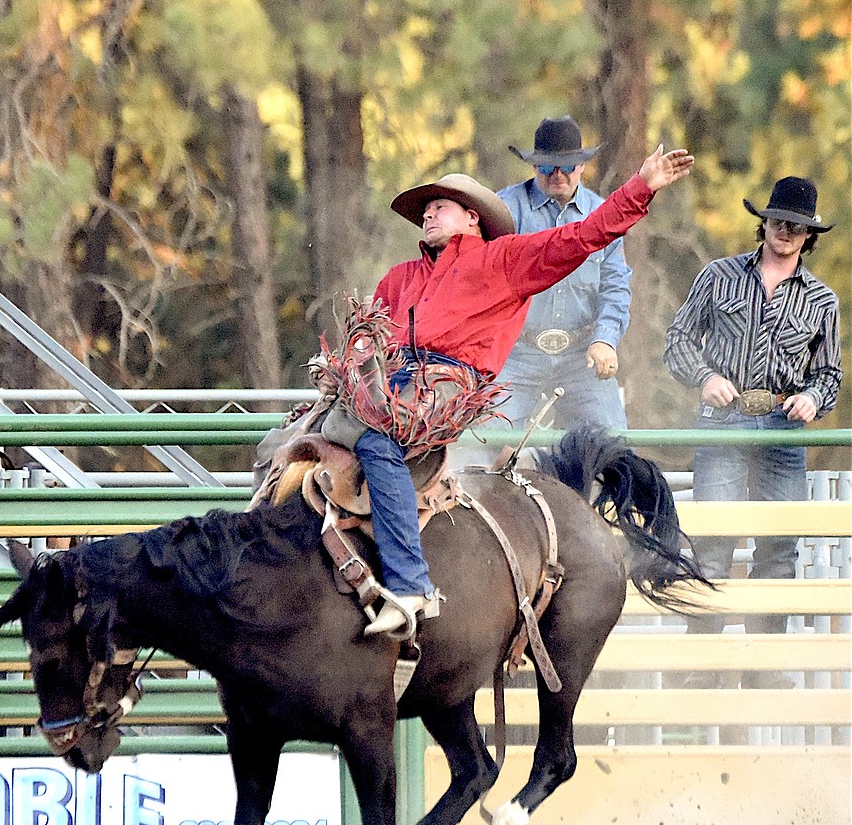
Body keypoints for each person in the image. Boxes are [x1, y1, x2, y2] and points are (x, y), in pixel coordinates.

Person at [358, 144, 695, 637]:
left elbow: (582, 237)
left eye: (440, 205)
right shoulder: (399, 278)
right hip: (393, 385)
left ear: (472, 218)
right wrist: (348, 360)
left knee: (377, 444)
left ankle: (410, 584)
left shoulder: (503, 260)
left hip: (450, 386)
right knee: (298, 441)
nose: (428, 213)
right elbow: (370, 334)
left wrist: (640, 187)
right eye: (424, 209)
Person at [664, 176, 842, 688]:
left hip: (783, 428)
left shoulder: (823, 301)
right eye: (779, 220)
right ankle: (704, 667)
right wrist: (705, 378)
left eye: (798, 226)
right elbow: (678, 338)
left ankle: (763, 665)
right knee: (713, 541)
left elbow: (828, 373)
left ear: (810, 237)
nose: (786, 231)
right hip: (723, 420)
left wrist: (813, 398)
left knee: (779, 547)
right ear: (762, 223)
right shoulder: (718, 275)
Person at [496, 116, 631, 431]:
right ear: (533, 167)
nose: (557, 175)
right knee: (481, 442)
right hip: (515, 353)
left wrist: (606, 340)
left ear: (582, 166)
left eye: (567, 166)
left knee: (614, 447)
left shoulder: (604, 217)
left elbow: (616, 288)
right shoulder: (504, 209)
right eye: (547, 167)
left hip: (581, 355)